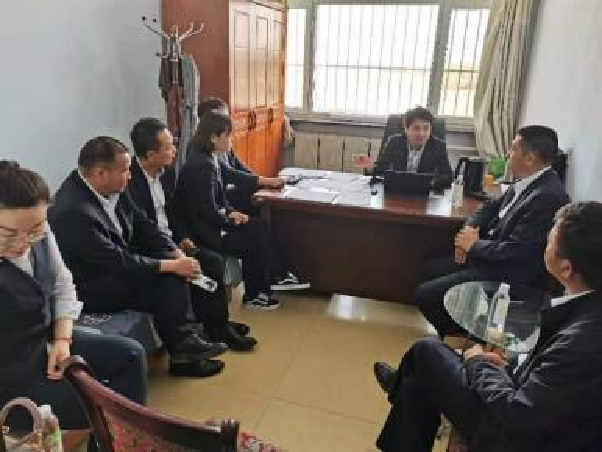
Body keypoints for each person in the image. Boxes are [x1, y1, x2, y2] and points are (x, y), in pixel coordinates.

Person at [373, 201, 602, 452]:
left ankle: (400, 385)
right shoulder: (587, 309)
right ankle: (402, 384)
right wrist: (505, 367)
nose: (543, 245)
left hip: (513, 436)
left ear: (566, 268)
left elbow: (518, 414)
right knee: (422, 373)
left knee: (426, 353)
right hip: (532, 410)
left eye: (548, 242)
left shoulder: (581, 343)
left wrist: (479, 363)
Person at [49, 137, 228, 378]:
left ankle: (190, 344)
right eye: (125, 170)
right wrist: (171, 266)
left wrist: (175, 252)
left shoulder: (112, 188)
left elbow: (144, 224)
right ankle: (184, 350)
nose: (130, 176)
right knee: (169, 279)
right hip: (93, 284)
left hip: (117, 264)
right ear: (101, 173)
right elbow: (116, 261)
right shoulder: (74, 212)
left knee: (181, 263)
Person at [0, 161, 147, 439]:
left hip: (47, 341)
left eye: (34, 229)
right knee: (109, 407)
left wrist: (62, 340)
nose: (23, 243)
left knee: (130, 355)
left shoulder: (41, 234)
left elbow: (62, 283)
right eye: (8, 234)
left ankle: (121, 441)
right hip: (12, 374)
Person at [416, 125, 570, 338]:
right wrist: (468, 233)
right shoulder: (528, 180)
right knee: (428, 267)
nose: (508, 153)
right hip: (490, 255)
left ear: (530, 158)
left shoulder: (546, 196)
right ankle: (463, 326)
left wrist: (473, 246)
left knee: (425, 295)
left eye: (513, 149)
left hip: (508, 272)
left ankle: (465, 336)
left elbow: (517, 252)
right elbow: (489, 206)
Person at [127, 118, 256, 351]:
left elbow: (174, 212)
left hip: (172, 240)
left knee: (211, 261)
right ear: (150, 154)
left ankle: (218, 324)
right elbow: (143, 229)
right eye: (168, 147)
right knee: (208, 262)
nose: (175, 150)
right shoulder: (130, 183)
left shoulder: (166, 173)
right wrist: (173, 250)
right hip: (151, 248)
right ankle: (215, 328)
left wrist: (183, 237)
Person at [176, 111, 307, 310]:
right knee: (252, 239)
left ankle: (268, 283)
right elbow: (206, 211)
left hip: (214, 223)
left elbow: (221, 197)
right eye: (227, 135)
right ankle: (258, 292)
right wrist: (229, 220)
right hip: (204, 232)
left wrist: (231, 212)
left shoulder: (211, 158)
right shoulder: (201, 165)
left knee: (259, 227)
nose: (231, 139)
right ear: (213, 137)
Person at [194, 97, 285, 215]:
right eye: (222, 117)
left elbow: (239, 166)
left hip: (229, 190)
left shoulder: (223, 141)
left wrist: (260, 180)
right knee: (257, 200)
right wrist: (264, 181)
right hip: (220, 195)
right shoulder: (204, 146)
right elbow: (229, 174)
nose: (226, 121)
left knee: (260, 190)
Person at [355, 106, 453, 190]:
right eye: (416, 128)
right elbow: (381, 168)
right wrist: (370, 166)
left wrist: (430, 183)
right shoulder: (394, 142)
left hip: (424, 193)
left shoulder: (438, 146)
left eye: (426, 128)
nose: (421, 133)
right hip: (397, 192)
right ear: (406, 129)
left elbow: (448, 176)